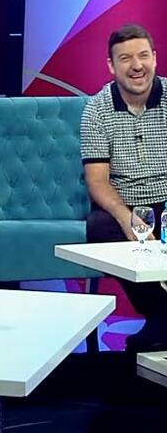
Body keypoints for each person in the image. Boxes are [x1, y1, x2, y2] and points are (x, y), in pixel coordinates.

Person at [81, 23, 167, 352]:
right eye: (126, 58)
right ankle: (162, 314)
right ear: (111, 65)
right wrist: (125, 216)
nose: (137, 66)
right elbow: (97, 181)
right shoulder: (97, 110)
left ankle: (161, 322)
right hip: (128, 204)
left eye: (143, 56)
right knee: (100, 225)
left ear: (154, 58)